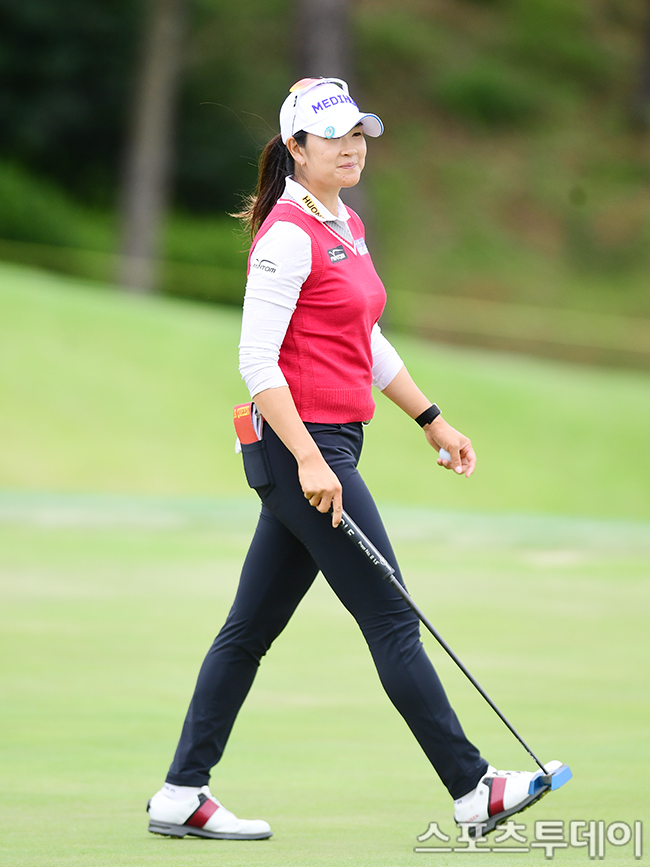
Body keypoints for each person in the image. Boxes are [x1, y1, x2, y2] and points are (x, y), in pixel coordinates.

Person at [146, 77, 556, 842]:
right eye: (333, 136)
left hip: (323, 447)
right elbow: (256, 360)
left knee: (248, 630)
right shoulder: (287, 234)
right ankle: (473, 788)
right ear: (296, 149)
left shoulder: (344, 224)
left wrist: (430, 417)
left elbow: (364, 338)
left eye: (358, 133)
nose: (351, 146)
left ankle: (181, 791)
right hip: (302, 446)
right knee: (393, 617)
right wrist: (308, 459)